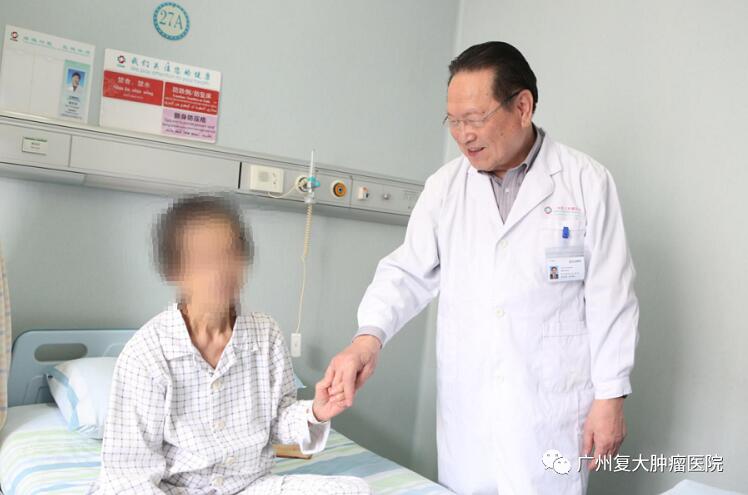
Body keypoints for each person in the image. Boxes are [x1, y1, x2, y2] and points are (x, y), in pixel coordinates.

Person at [323, 41, 639, 494]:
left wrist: (610, 397)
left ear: (522, 107)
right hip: (469, 412)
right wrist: (366, 340)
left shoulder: (585, 181)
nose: (463, 135)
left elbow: (611, 295)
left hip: (549, 407)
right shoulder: (445, 187)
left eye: (474, 119)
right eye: (453, 121)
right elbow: (406, 272)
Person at [89, 195, 370, 495]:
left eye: (231, 253)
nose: (222, 269)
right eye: (204, 258)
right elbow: (129, 473)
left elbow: (278, 419)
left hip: (250, 487)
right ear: (175, 271)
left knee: (353, 490)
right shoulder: (146, 354)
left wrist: (315, 411)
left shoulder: (266, 335)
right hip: (175, 490)